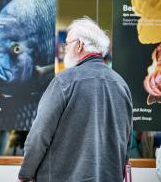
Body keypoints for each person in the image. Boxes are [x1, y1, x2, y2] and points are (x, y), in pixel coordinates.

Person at [17, 17, 133, 182]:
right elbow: (126, 141)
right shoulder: (121, 85)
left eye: (67, 44)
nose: (64, 49)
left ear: (79, 45)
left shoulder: (64, 82)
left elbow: (39, 134)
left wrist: (25, 175)